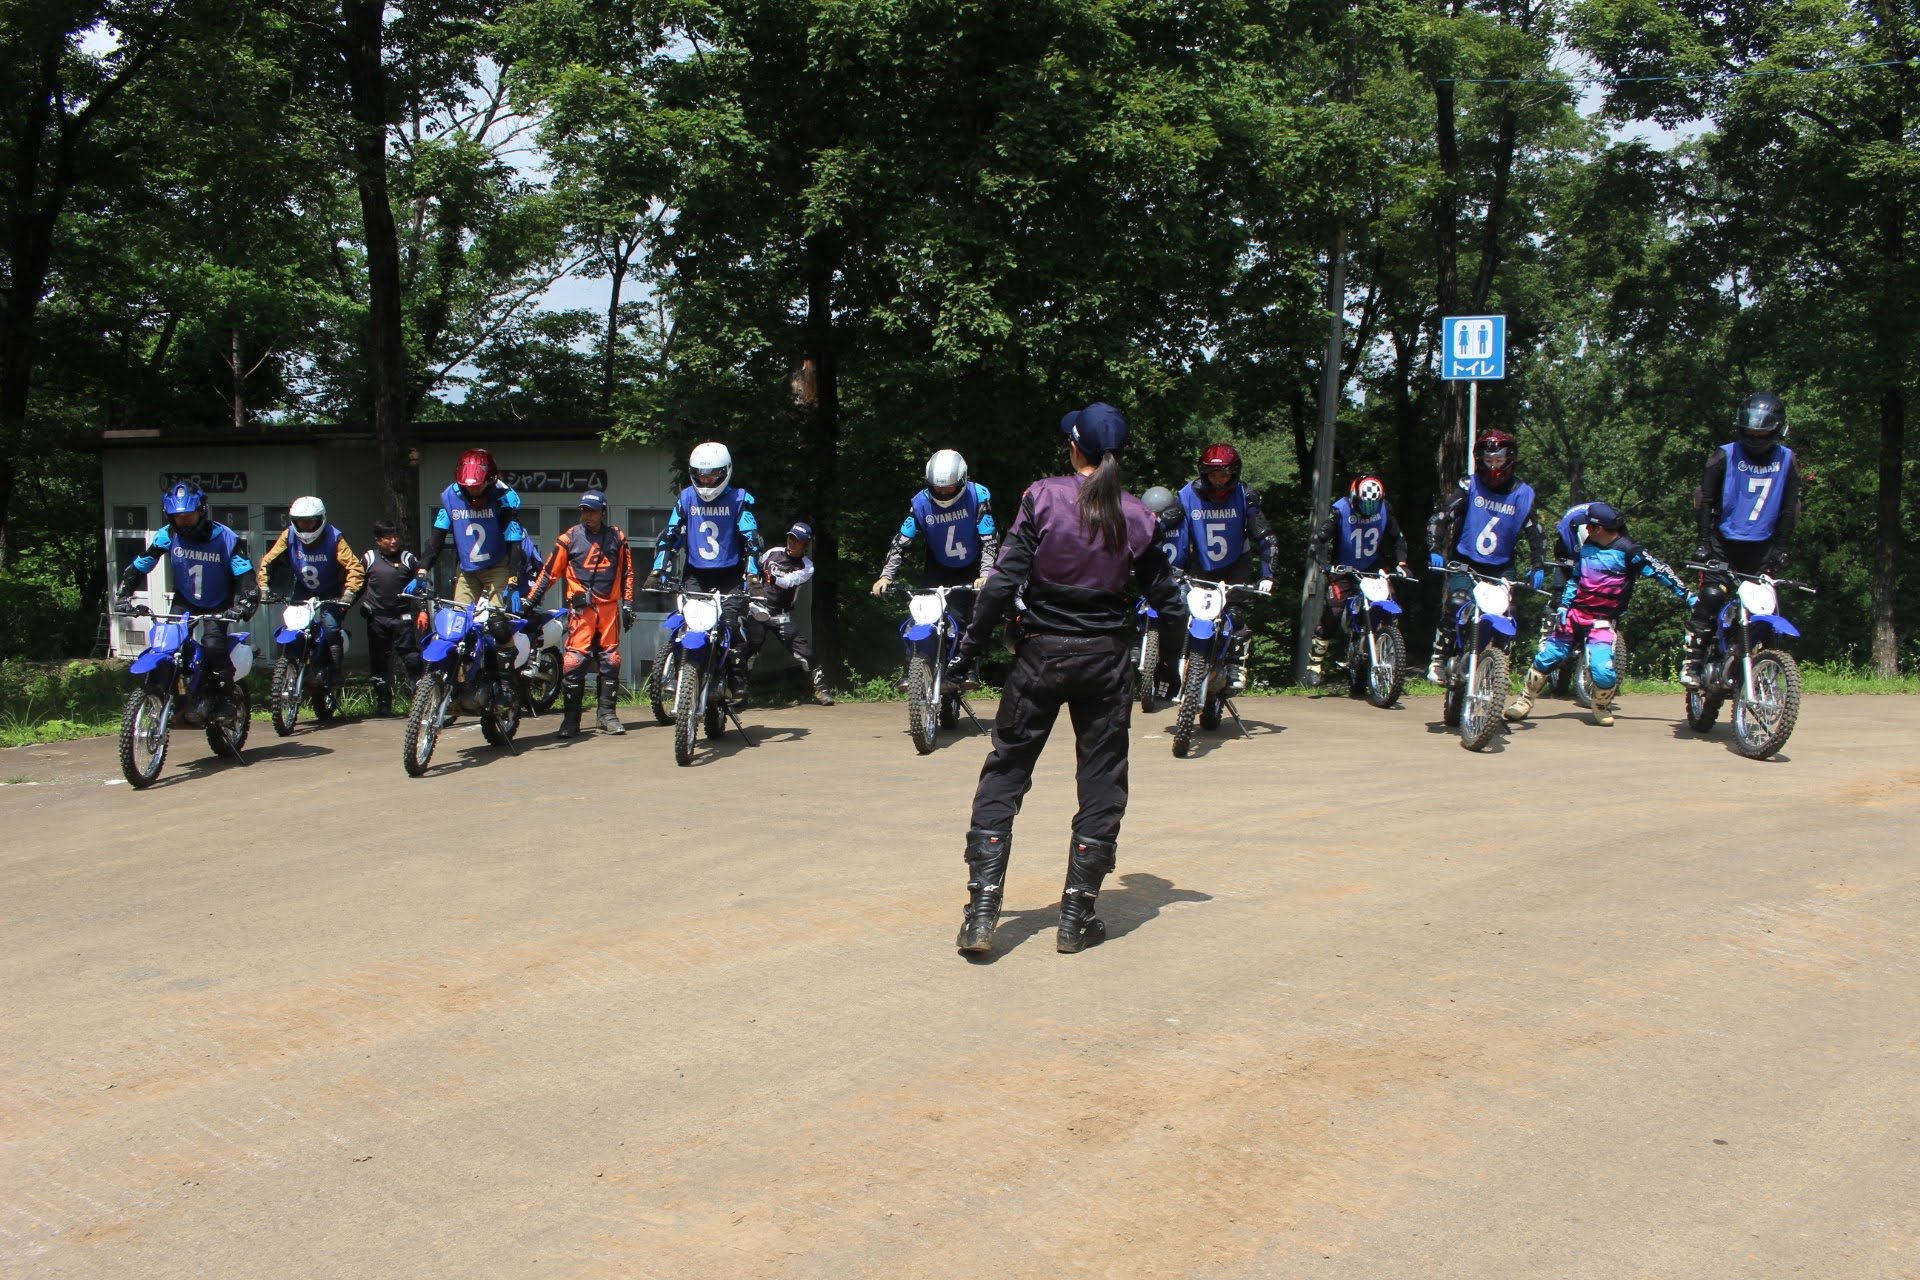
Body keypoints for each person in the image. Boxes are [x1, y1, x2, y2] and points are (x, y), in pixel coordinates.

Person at [944, 402, 1182, 957]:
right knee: (1101, 782)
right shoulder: (1137, 516)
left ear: (1074, 446)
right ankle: (1076, 918)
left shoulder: (1042, 497)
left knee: (1005, 773)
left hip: (1039, 657)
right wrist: (1168, 668)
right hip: (1105, 662)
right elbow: (1168, 602)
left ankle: (981, 913)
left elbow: (1002, 583)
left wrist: (967, 651)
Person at [1506, 502, 1693, 726]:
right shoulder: (1587, 547)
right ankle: (1525, 700)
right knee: (1549, 656)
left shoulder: (1630, 551)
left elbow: (1661, 572)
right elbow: (1576, 577)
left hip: (1601, 621)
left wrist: (1690, 597)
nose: (1586, 530)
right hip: (1574, 614)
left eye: (1589, 527)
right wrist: (1564, 605)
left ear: (1599, 528)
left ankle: (1601, 705)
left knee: (1603, 672)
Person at [1682, 391, 1802, 687]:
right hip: (1723, 543)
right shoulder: (1724, 455)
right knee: (1711, 595)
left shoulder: (1787, 460)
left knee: (1765, 606)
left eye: (1762, 431)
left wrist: (1782, 547)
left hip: (1762, 546)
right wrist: (1703, 541)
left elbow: (1790, 507)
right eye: (1750, 430)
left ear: (1777, 429)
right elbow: (1706, 499)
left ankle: (1756, 661)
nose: (1755, 436)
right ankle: (1693, 659)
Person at [1424, 429, 1547, 683]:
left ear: (1510, 459)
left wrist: (1538, 565)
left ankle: (1496, 670)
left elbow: (1536, 532)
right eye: (1488, 461)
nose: (1493, 467)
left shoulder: (1523, 494)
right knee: (1457, 602)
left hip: (1501, 566)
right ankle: (1439, 658)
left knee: (1509, 612)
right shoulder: (1469, 486)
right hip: (1466, 560)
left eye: (1499, 461)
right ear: (1480, 460)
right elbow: (1442, 517)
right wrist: (1435, 548)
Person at [115, 481, 259, 692]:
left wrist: (247, 601)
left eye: (189, 516)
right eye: (179, 518)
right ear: (170, 517)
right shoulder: (168, 535)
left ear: (202, 511)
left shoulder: (224, 537)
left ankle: (226, 698)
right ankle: (175, 694)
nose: (185, 523)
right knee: (168, 645)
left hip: (219, 602)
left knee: (212, 646)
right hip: (185, 600)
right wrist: (124, 594)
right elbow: (143, 563)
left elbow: (245, 573)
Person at [870, 449, 998, 682]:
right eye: (937, 487)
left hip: (970, 566)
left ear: (962, 480)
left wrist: (986, 573)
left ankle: (967, 667)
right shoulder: (920, 503)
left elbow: (989, 538)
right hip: (938, 564)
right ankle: (914, 667)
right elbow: (901, 541)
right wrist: (885, 576)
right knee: (922, 613)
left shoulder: (977, 496)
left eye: (949, 487)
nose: (942, 491)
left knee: (962, 616)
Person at [645, 442, 763, 696]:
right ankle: (677, 672)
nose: (706, 479)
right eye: (701, 473)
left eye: (712, 474)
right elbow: (671, 536)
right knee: (688, 624)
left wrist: (754, 577)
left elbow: (751, 540)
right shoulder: (687, 497)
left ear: (725, 471)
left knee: (730, 624)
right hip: (696, 573)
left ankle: (737, 677)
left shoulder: (738, 499)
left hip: (729, 574)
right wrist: (657, 572)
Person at [1167, 443, 1278, 693]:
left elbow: (1265, 536)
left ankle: (1237, 664)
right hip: (1202, 566)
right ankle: (1172, 663)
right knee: (1185, 612)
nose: (1218, 481)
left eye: (1223, 474)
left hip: (1237, 565)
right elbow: (1164, 526)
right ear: (1204, 474)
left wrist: (1268, 574)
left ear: (1234, 473)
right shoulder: (1186, 495)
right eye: (1212, 474)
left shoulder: (1246, 495)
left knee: (1235, 615)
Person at [528, 489, 634, 739]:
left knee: (611, 661)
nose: (587, 515)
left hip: (609, 609)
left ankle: (607, 715)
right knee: (574, 663)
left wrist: (628, 603)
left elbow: (628, 571)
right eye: (584, 510)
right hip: (582, 611)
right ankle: (571, 720)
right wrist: (531, 601)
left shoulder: (617, 537)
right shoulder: (568, 538)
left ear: (603, 512)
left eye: (592, 510)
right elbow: (549, 572)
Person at [1306, 474, 1410, 681]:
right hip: (1343, 567)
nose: (1368, 510)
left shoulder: (1385, 509)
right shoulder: (1340, 510)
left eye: (1373, 505)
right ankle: (1316, 661)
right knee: (1334, 610)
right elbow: (1317, 541)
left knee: (1390, 605)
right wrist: (1326, 565)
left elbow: (1398, 538)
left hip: (1374, 566)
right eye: (1364, 505)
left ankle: (1389, 654)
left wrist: (1402, 564)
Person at [255, 495, 364, 682]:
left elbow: (355, 567)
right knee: (293, 625)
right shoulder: (288, 535)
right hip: (303, 588)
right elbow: (268, 561)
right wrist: (263, 587)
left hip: (331, 589)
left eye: (310, 522)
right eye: (301, 523)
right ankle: (294, 663)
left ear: (320, 519)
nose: (305, 527)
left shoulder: (334, 537)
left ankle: (335, 671)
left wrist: (349, 592)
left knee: (330, 627)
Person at [417, 448, 529, 607]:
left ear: (490, 480)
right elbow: (436, 539)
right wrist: (422, 571)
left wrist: (513, 581)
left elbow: (514, 541)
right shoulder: (451, 497)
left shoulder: (502, 497)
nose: (473, 491)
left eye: (478, 486)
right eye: (468, 487)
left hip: (497, 566)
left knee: (499, 623)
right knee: (458, 622)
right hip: (467, 569)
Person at [747, 522, 834, 705]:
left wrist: (771, 576)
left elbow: (788, 582)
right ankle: (736, 692)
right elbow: (753, 570)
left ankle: (821, 689)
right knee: (747, 649)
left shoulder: (807, 566)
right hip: (759, 609)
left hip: (782, 615)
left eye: (798, 541)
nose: (792, 543)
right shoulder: (773, 553)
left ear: (805, 545)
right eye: (791, 538)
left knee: (805, 652)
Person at [360, 519, 423, 715]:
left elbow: (421, 587)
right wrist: (348, 605)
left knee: (412, 659)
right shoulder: (369, 558)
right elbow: (357, 584)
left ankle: (419, 701)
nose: (394, 541)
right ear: (378, 540)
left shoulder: (408, 558)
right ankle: (383, 703)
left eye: (396, 536)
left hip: (402, 618)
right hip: (377, 619)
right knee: (379, 661)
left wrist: (422, 610)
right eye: (388, 537)